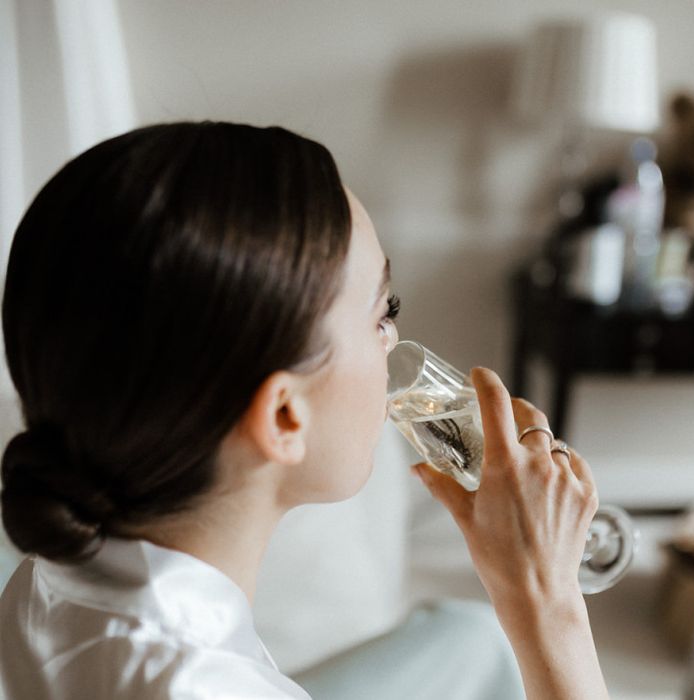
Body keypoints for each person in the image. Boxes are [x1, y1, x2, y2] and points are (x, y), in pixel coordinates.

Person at [0, 122, 608, 699]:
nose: (395, 343)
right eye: (382, 316)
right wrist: (547, 603)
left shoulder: (54, 574)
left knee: (471, 639)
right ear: (285, 417)